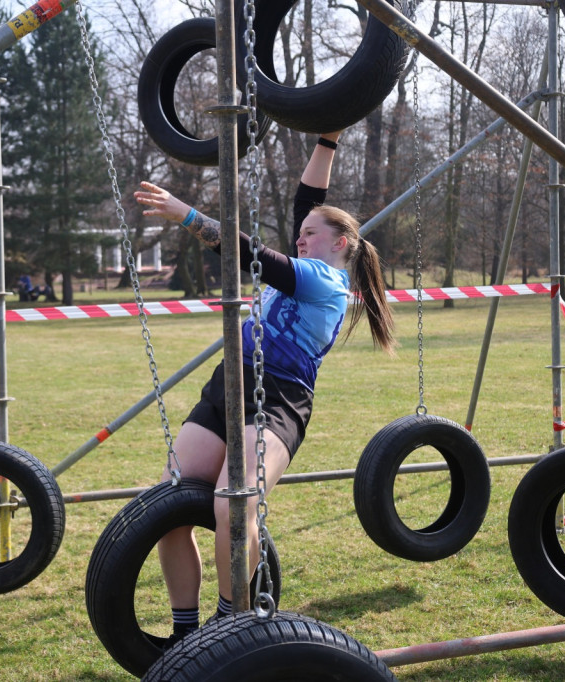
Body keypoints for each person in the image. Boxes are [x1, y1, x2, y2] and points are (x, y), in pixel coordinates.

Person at [133, 130, 396, 643]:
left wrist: (185, 213)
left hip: (279, 399)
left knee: (233, 504)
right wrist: (328, 139)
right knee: (170, 506)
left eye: (310, 235)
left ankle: (228, 625)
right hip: (229, 383)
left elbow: (250, 254)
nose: (300, 238)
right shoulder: (312, 256)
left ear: (339, 244)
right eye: (299, 234)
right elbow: (309, 201)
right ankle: (185, 634)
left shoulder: (325, 281)